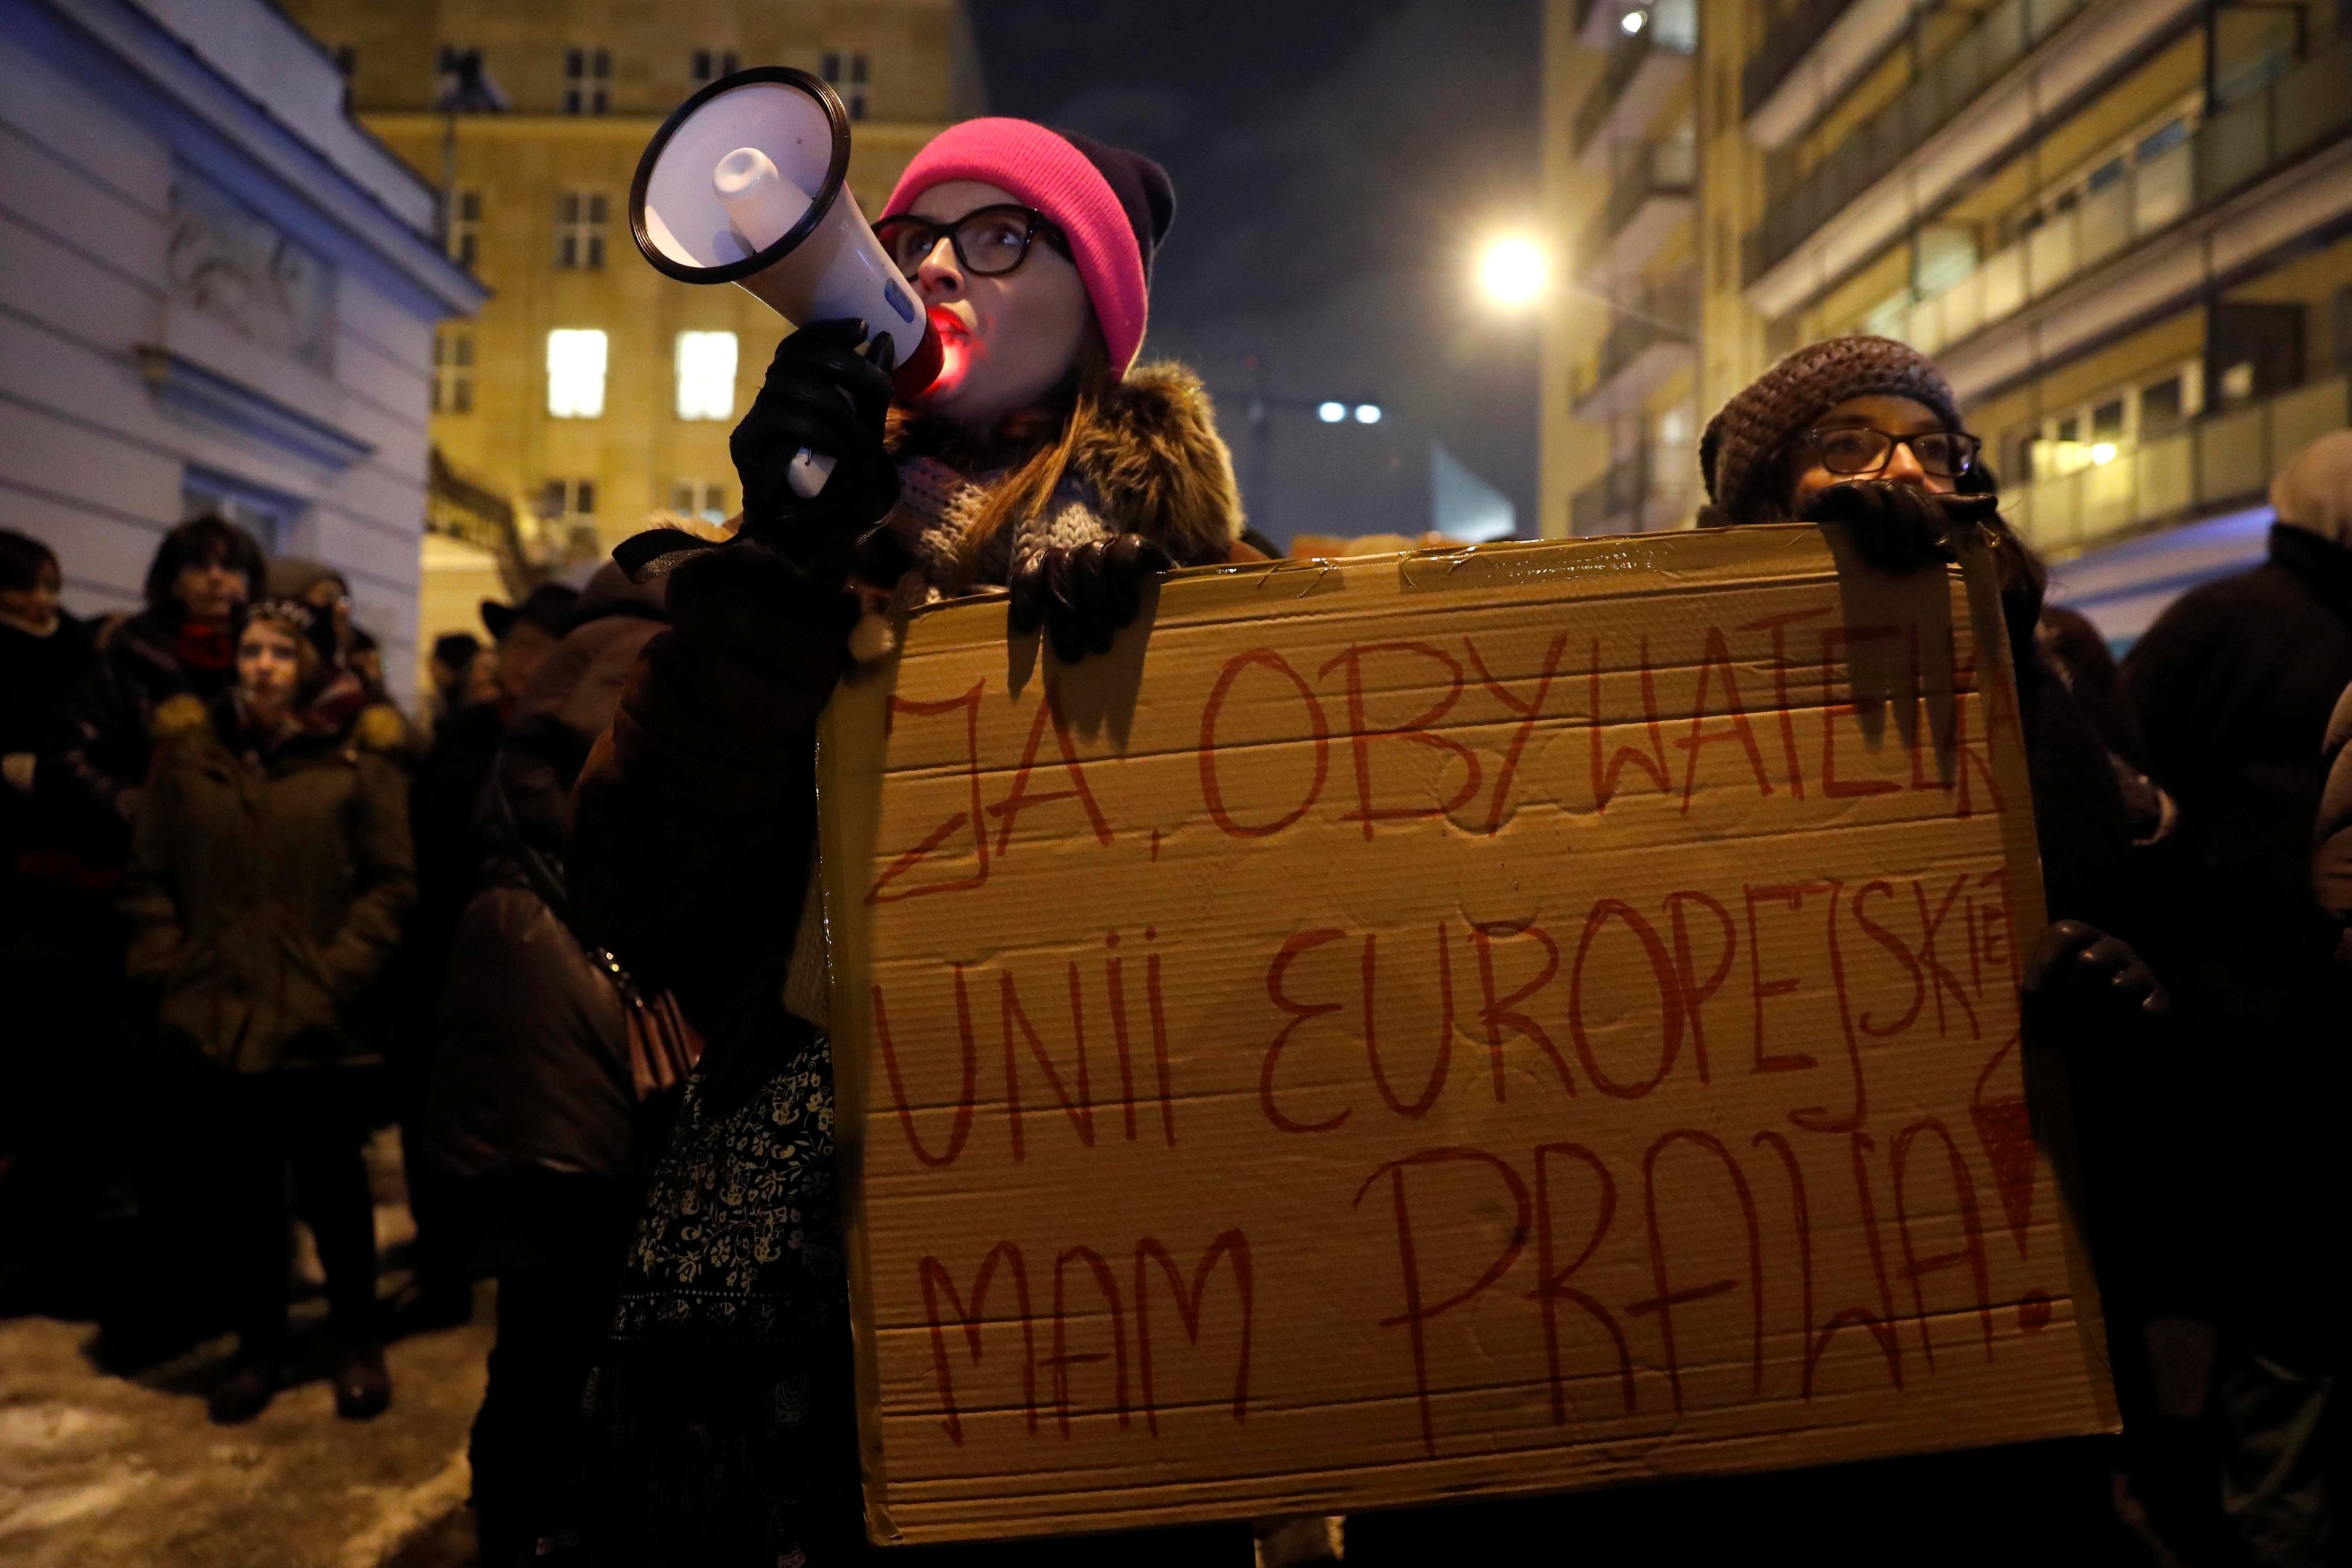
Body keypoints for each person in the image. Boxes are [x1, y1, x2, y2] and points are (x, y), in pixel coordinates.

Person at [1344, 336, 2187, 1568]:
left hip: (1970, 1322)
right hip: (1730, 1328)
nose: (1893, 468)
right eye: (1843, 443)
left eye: (1925, 444)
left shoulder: (2030, 664)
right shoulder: (1659, 686)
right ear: (1748, 503)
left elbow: (2108, 905)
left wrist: (2118, 989)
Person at [559, 119, 1255, 1564]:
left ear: (1099, 317)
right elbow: (633, 888)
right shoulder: (792, 560)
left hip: (1098, 1260)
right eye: (914, 233)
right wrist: (781, 560)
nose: (935, 260)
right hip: (797, 1286)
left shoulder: (1212, 600)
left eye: (1001, 236)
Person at [424, 563, 687, 1568]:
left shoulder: (590, 649)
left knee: (539, 1333)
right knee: (563, 1333)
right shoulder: (633, 655)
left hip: (535, 1028)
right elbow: (607, 803)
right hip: (569, 1031)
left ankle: (519, 1523)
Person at [118, 597, 415, 1424]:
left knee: (334, 1191)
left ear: (312, 663)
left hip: (322, 1019)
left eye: (281, 652)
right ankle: (261, 1348)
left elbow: (392, 883)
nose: (261, 666)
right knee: (245, 1199)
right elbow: (149, 880)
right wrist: (167, 970)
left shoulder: (357, 756)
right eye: (251, 650)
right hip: (222, 1017)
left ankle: (357, 1339)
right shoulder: (192, 756)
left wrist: (333, 975)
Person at [2147, 427, 2352, 1566]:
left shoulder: (2218, 622)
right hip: (2278, 1062)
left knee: (2282, 1351)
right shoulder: (2248, 625)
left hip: (2250, 1054)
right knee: (2287, 1336)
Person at [392, 579, 581, 1328]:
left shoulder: (571, 740)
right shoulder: (466, 733)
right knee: (435, 1114)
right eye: (512, 644)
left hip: (528, 964)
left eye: (534, 646)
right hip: (441, 952)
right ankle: (443, 1262)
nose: (514, 659)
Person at [0, 530, 105, 1306]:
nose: (40, 601)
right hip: (13, 892)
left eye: (49, 584)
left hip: (76, 894)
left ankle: (63, 1248)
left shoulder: (84, 651)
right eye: (23, 587)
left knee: (66, 1089)